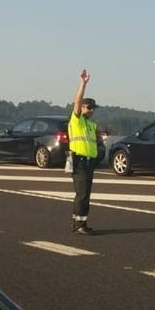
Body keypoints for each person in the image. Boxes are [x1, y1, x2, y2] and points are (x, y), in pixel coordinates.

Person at [68, 69, 101, 234]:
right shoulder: (77, 120)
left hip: (89, 162)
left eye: (93, 108)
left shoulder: (91, 125)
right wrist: (83, 83)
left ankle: (82, 222)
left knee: (86, 194)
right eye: (89, 107)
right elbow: (76, 101)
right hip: (79, 160)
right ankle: (78, 225)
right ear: (82, 107)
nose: (92, 110)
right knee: (81, 194)